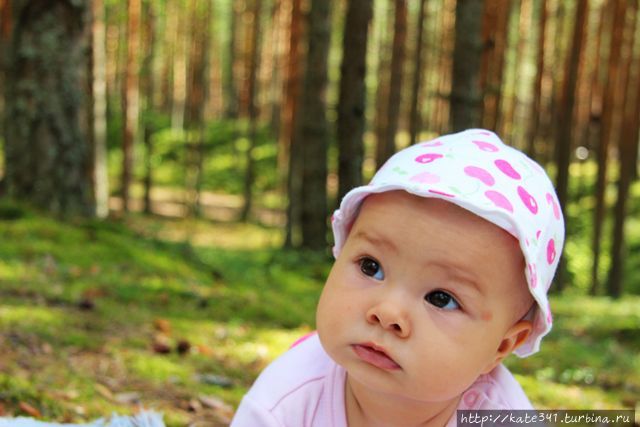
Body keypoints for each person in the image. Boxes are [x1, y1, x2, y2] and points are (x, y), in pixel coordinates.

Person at [231, 129, 565, 427]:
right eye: (370, 266)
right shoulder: (289, 397)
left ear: (502, 345)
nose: (388, 312)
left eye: (441, 298)